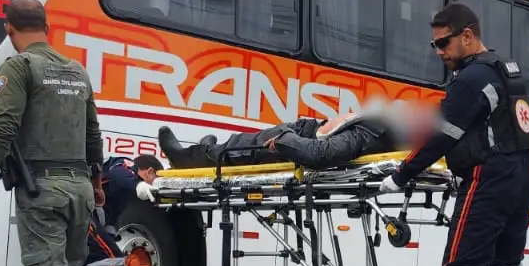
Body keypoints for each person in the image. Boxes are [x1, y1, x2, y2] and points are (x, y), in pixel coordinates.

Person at [378, 2, 529, 266]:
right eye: (434, 45)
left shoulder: (471, 79)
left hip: (490, 177)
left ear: (467, 35)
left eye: (444, 43)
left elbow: (440, 134)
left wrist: (401, 176)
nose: (439, 52)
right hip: (523, 173)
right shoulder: (505, 69)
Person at [0, 0, 104, 266]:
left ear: (8, 30)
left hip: (43, 191)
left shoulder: (19, 67)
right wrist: (96, 184)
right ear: (47, 27)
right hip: (81, 191)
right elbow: (93, 134)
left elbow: (3, 127)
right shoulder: (78, 71)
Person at [155, 99, 431, 170]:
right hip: (304, 131)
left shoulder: (372, 134)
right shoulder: (379, 129)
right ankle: (206, 151)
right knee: (242, 143)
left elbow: (320, 154)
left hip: (299, 139)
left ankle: (187, 158)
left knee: (242, 149)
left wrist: (285, 139)